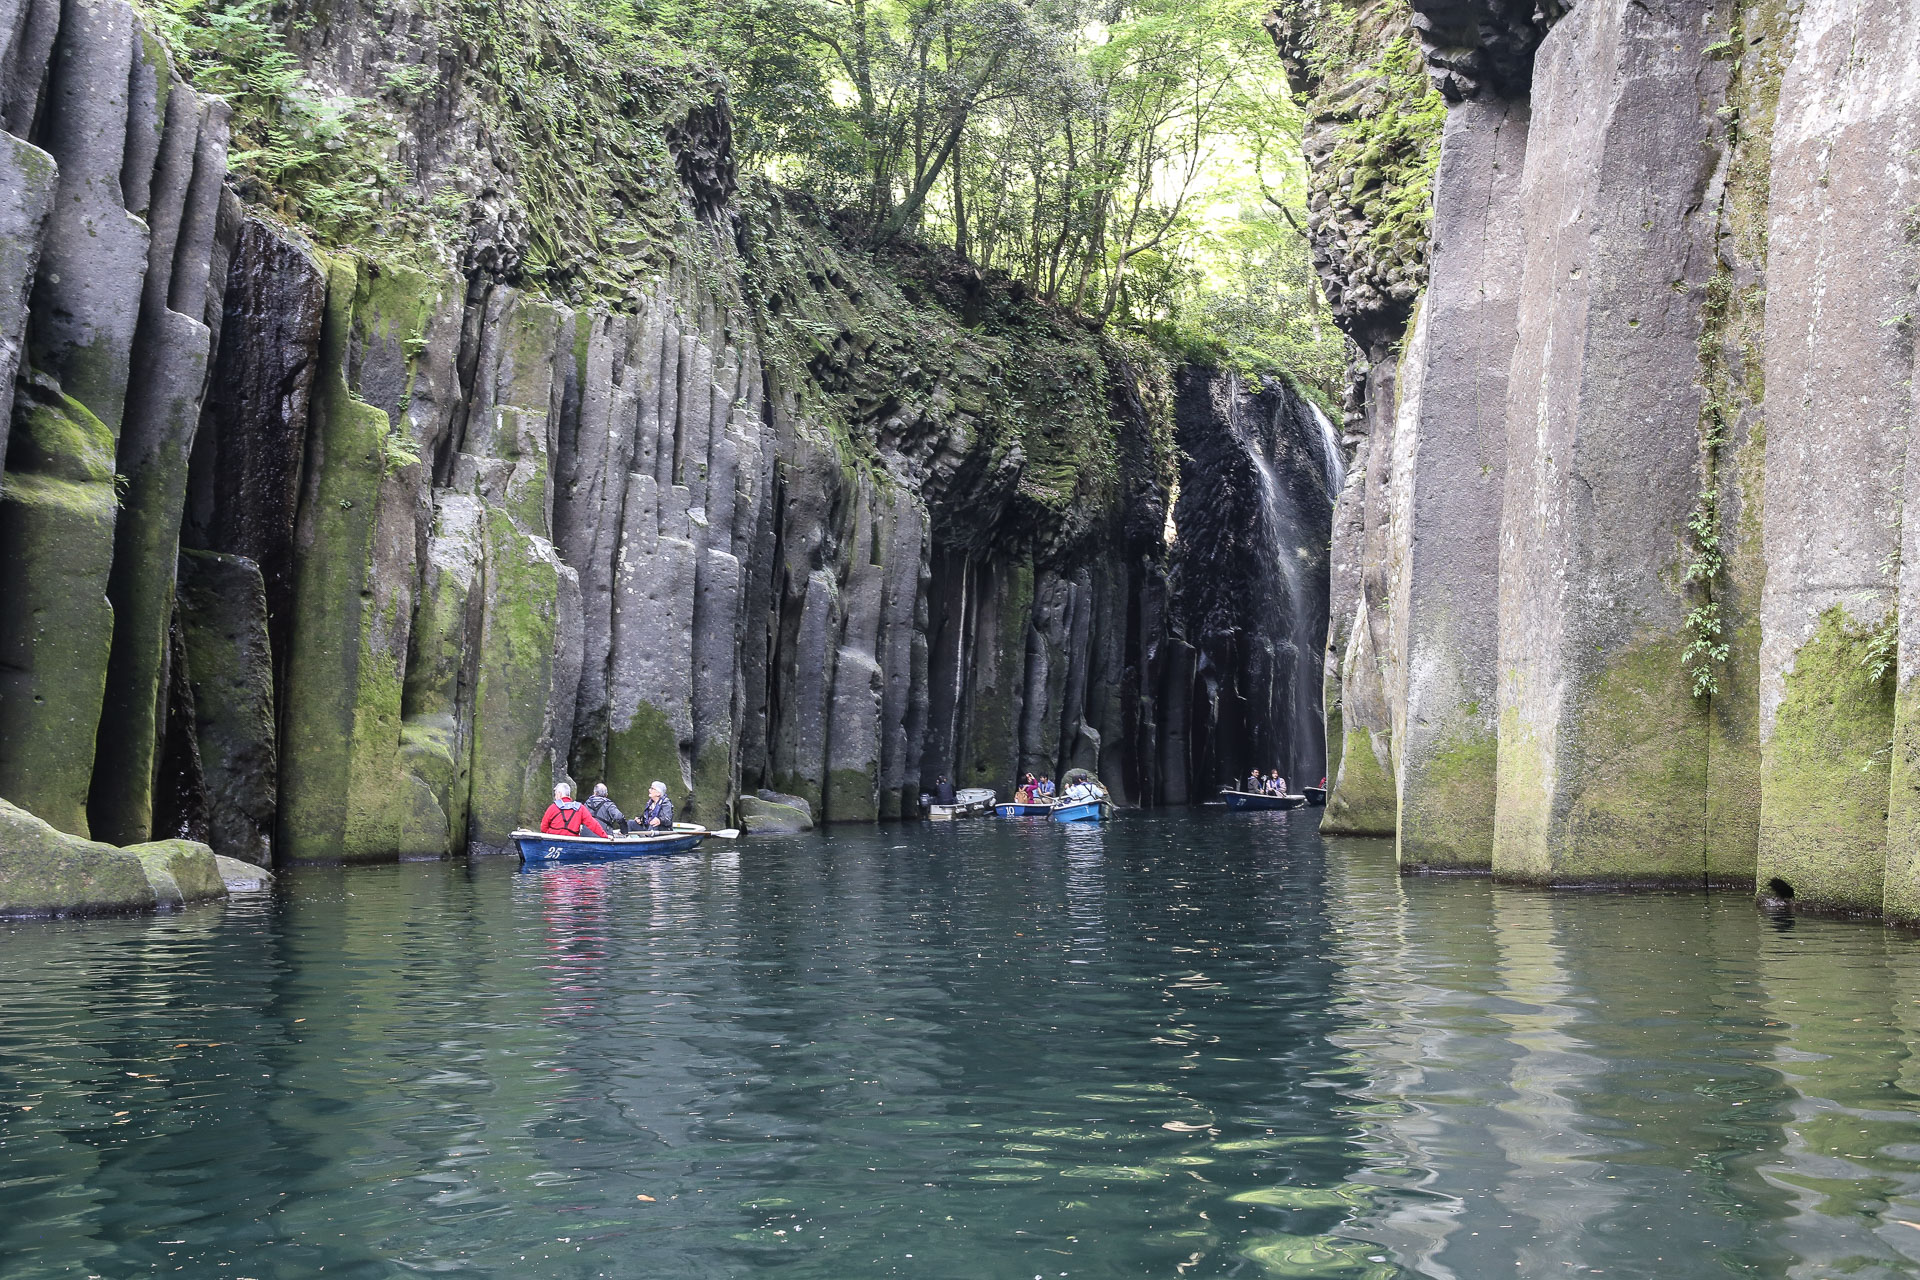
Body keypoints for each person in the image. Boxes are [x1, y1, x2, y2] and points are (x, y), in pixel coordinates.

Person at [541, 782, 608, 837]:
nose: (555, 797)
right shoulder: (580, 808)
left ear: (559, 794)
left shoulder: (552, 807)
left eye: (555, 795)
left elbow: (543, 827)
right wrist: (605, 835)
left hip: (552, 841)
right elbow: (592, 824)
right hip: (572, 842)